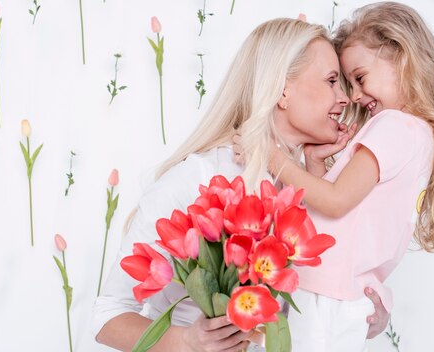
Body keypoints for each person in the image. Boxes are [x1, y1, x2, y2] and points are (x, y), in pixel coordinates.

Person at [91, 18, 389, 352]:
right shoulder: (198, 177)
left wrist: (365, 314)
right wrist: (188, 341)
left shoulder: (316, 190)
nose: (344, 99)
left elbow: (313, 304)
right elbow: (108, 316)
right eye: (332, 81)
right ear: (282, 89)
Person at [264, 3, 434, 351]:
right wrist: (314, 165)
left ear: (402, 58)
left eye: (359, 78)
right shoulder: (417, 134)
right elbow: (342, 217)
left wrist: (273, 158)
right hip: (337, 294)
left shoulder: (394, 126)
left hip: (327, 295)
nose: (355, 95)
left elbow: (335, 201)